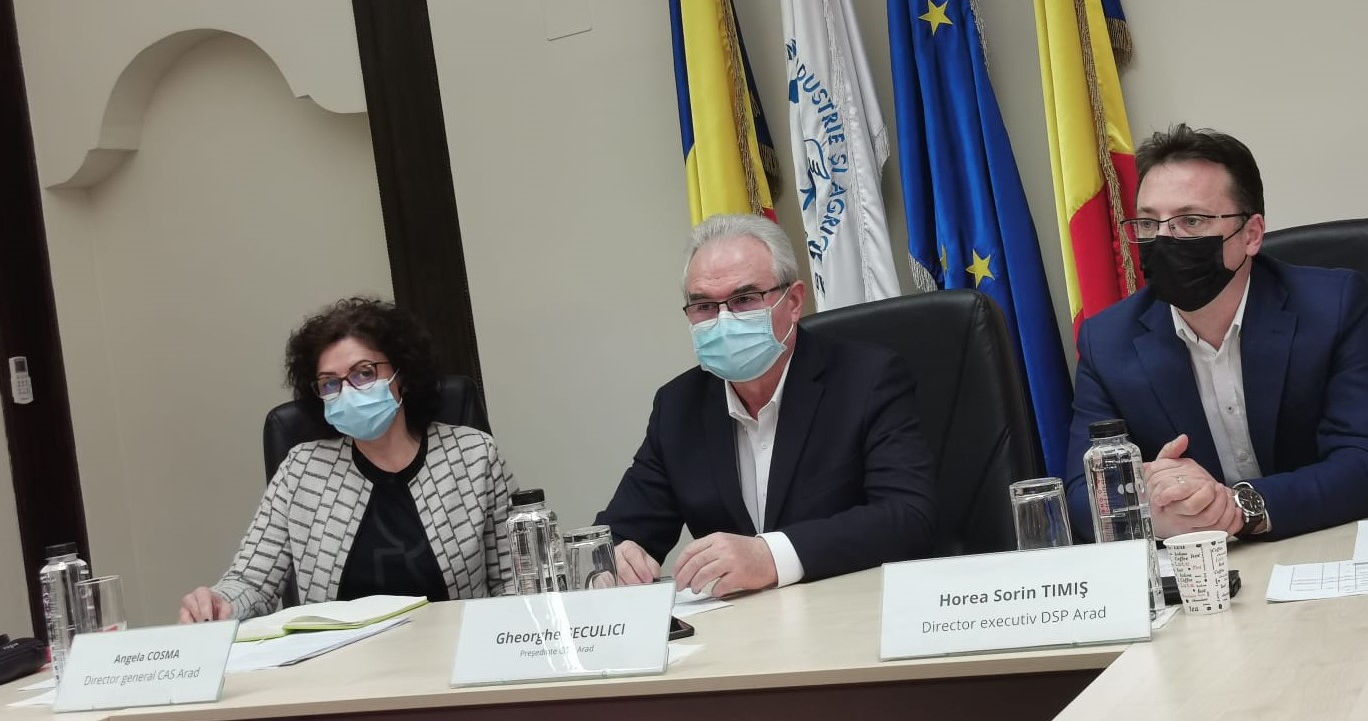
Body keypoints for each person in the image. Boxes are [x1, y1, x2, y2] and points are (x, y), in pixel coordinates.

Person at [1066, 125, 1368, 542]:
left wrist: (1238, 508)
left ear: (1251, 234)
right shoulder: (1107, 341)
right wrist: (1154, 511)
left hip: (1333, 544)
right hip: (1204, 566)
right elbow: (1082, 495)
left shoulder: (1332, 306)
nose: (1165, 239)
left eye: (1191, 221)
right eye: (1150, 223)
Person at [596, 214, 935, 596]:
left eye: (744, 299)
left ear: (794, 302)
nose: (723, 320)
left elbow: (908, 518)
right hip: (738, 627)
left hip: (852, 611)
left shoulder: (868, 379)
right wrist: (615, 558)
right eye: (704, 305)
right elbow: (616, 534)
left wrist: (770, 556)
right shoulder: (678, 407)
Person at [179, 297, 514, 621]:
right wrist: (219, 603)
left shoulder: (474, 455)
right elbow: (251, 583)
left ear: (402, 375)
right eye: (330, 383)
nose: (348, 391)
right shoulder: (301, 471)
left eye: (364, 373)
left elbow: (514, 581)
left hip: (457, 651)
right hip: (341, 657)